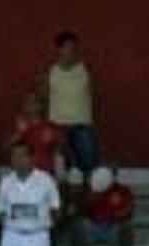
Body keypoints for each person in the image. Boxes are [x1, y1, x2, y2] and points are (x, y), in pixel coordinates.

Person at [45, 30, 99, 175]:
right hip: (58, 127)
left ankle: (88, 195)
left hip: (82, 126)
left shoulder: (86, 69)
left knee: (88, 166)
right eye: (67, 46)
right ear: (59, 49)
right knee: (62, 169)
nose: (71, 50)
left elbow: (94, 94)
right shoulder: (50, 71)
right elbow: (43, 98)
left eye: (74, 47)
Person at [71, 166, 135, 246]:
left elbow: (129, 209)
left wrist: (118, 215)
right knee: (78, 224)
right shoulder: (89, 190)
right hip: (93, 226)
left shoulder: (123, 191)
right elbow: (79, 210)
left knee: (126, 226)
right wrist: (91, 200)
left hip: (113, 228)